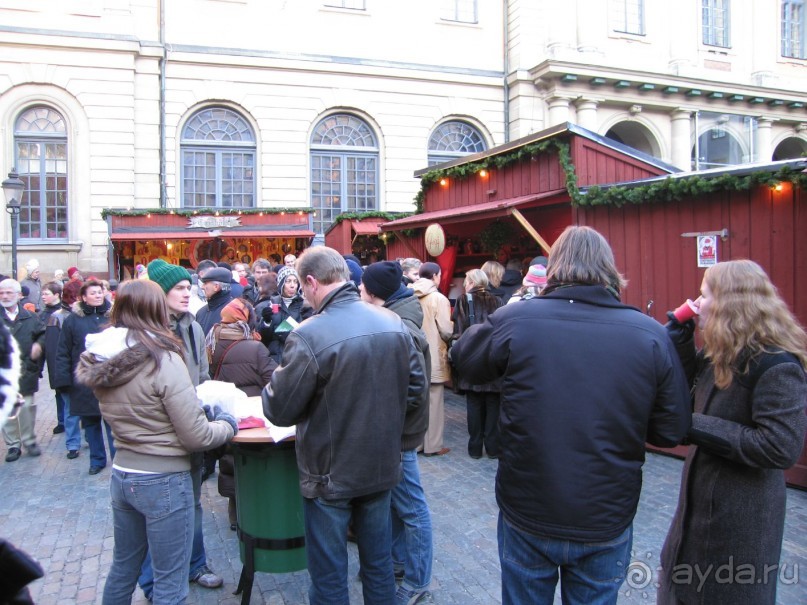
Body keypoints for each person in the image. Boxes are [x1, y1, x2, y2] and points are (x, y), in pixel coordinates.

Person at [451, 226, 691, 605]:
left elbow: (463, 359)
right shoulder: (648, 335)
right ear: (609, 270)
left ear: (554, 268)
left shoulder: (520, 320)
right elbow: (670, 430)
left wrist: (512, 311)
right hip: (602, 511)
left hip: (532, 507)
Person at [262, 246, 426, 605]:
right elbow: (416, 389)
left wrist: (276, 377)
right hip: (379, 466)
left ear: (310, 282)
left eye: (304, 288)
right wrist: (400, 443)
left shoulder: (310, 334)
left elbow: (279, 409)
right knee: (378, 565)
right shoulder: (391, 321)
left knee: (329, 575)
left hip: (329, 474)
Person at [75, 279, 237, 605]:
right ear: (156, 310)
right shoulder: (162, 357)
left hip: (123, 473)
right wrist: (227, 424)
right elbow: (197, 435)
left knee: (123, 567)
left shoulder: (102, 356)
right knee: (170, 582)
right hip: (163, 478)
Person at [658, 260, 807, 605]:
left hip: (739, 525)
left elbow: (779, 447)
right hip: (694, 519)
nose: (697, 302)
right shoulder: (718, 354)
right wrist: (682, 347)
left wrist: (691, 425)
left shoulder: (778, 365)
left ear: (730, 303)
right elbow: (688, 398)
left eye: (705, 294)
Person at [137, 259, 225, 597]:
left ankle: (196, 564)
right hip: (159, 437)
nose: (188, 294)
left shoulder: (193, 326)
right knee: (155, 512)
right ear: (160, 293)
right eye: (179, 288)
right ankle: (152, 581)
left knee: (192, 502)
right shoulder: (146, 332)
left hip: (190, 429)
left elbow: (202, 378)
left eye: (190, 287)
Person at [360, 261, 435, 605]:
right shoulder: (395, 316)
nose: (358, 291)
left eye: (362, 287)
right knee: (397, 504)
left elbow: (413, 388)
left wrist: (383, 417)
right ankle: (398, 562)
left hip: (398, 433)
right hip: (396, 429)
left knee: (412, 508)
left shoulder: (399, 326)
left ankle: (417, 580)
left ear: (375, 294)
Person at [207, 297, 276, 529]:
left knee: (229, 460)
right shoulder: (254, 346)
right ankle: (260, 512)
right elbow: (272, 380)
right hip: (251, 414)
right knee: (251, 461)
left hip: (223, 411)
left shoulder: (210, 340)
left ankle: (236, 515)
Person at [53, 280, 116, 475]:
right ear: (83, 297)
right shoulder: (73, 320)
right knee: (90, 422)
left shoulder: (114, 316)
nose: (98, 295)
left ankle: (118, 460)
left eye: (100, 292)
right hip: (84, 380)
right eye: (93, 293)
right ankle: (97, 460)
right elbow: (63, 350)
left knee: (113, 423)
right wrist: (63, 380)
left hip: (110, 379)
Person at [452, 269, 503, 459]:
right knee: (493, 403)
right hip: (493, 358)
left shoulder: (463, 300)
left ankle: (474, 447)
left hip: (471, 358)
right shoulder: (498, 301)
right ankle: (492, 447)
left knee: (473, 403)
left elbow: (458, 331)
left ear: (471, 282)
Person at [0, 279, 45, 462]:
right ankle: (13, 445)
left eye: (9, 292)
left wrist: (39, 346)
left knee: (26, 406)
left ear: (19, 295)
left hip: (26, 368)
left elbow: (42, 334)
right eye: (2, 293)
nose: (4, 296)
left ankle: (29, 440)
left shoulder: (31, 316)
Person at [412, 262, 453, 457]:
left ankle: (418, 444)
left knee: (418, 402)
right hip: (434, 355)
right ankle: (433, 445)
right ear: (436, 276)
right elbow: (446, 329)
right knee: (435, 402)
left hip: (413, 354)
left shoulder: (408, 294)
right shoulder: (438, 299)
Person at [40, 281, 81, 453]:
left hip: (82, 370)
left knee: (83, 410)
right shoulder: (57, 317)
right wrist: (59, 376)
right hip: (68, 370)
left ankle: (86, 440)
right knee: (70, 409)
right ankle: (72, 444)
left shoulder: (83, 316)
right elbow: (53, 351)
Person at [258, 266, 312, 364]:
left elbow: (310, 337)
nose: (292, 285)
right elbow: (264, 338)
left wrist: (285, 332)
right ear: (281, 283)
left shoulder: (305, 306)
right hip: (274, 360)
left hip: (296, 359)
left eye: (295, 282)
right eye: (288, 281)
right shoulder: (272, 303)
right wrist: (266, 322)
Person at [195, 267, 235, 335]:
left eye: (205, 283)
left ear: (216, 287)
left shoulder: (233, 312)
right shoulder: (201, 312)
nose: (202, 287)